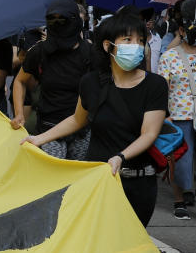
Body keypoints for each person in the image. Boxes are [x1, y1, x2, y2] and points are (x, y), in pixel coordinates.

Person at [22, 13, 168, 226]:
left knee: (130, 249)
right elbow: (76, 120)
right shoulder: (90, 83)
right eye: (128, 40)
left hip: (138, 183)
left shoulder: (155, 85)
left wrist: (120, 157)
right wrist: (39, 139)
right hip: (98, 180)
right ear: (108, 46)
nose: (136, 46)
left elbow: (149, 133)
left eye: (141, 41)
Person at [11, 0, 94, 160]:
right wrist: (19, 114)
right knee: (54, 179)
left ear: (75, 21)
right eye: (52, 20)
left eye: (62, 20)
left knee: (78, 180)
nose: (57, 24)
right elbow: (19, 81)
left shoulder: (90, 53)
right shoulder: (39, 52)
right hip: (48, 129)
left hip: (81, 131)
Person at [157, 0, 196, 220]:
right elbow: (162, 89)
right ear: (180, 30)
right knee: (181, 160)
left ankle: (186, 199)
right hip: (179, 117)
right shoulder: (169, 56)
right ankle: (180, 200)